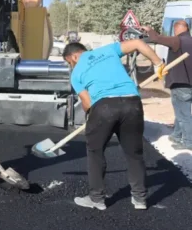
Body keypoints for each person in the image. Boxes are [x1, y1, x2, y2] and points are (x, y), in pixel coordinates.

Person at [62, 40, 166, 211]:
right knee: (134, 153)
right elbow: (138, 43)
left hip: (104, 106)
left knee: (95, 152)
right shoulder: (108, 50)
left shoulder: (76, 74)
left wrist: (90, 113)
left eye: (69, 63)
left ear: (73, 56)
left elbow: (87, 103)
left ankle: (97, 199)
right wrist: (158, 63)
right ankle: (140, 199)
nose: (71, 66)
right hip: (132, 103)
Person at [141, 21, 192, 151]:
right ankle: (176, 135)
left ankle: (188, 142)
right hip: (188, 84)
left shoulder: (177, 41)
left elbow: (156, 38)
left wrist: (149, 29)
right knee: (180, 112)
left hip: (180, 83)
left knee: (184, 114)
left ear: (176, 29)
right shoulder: (190, 41)